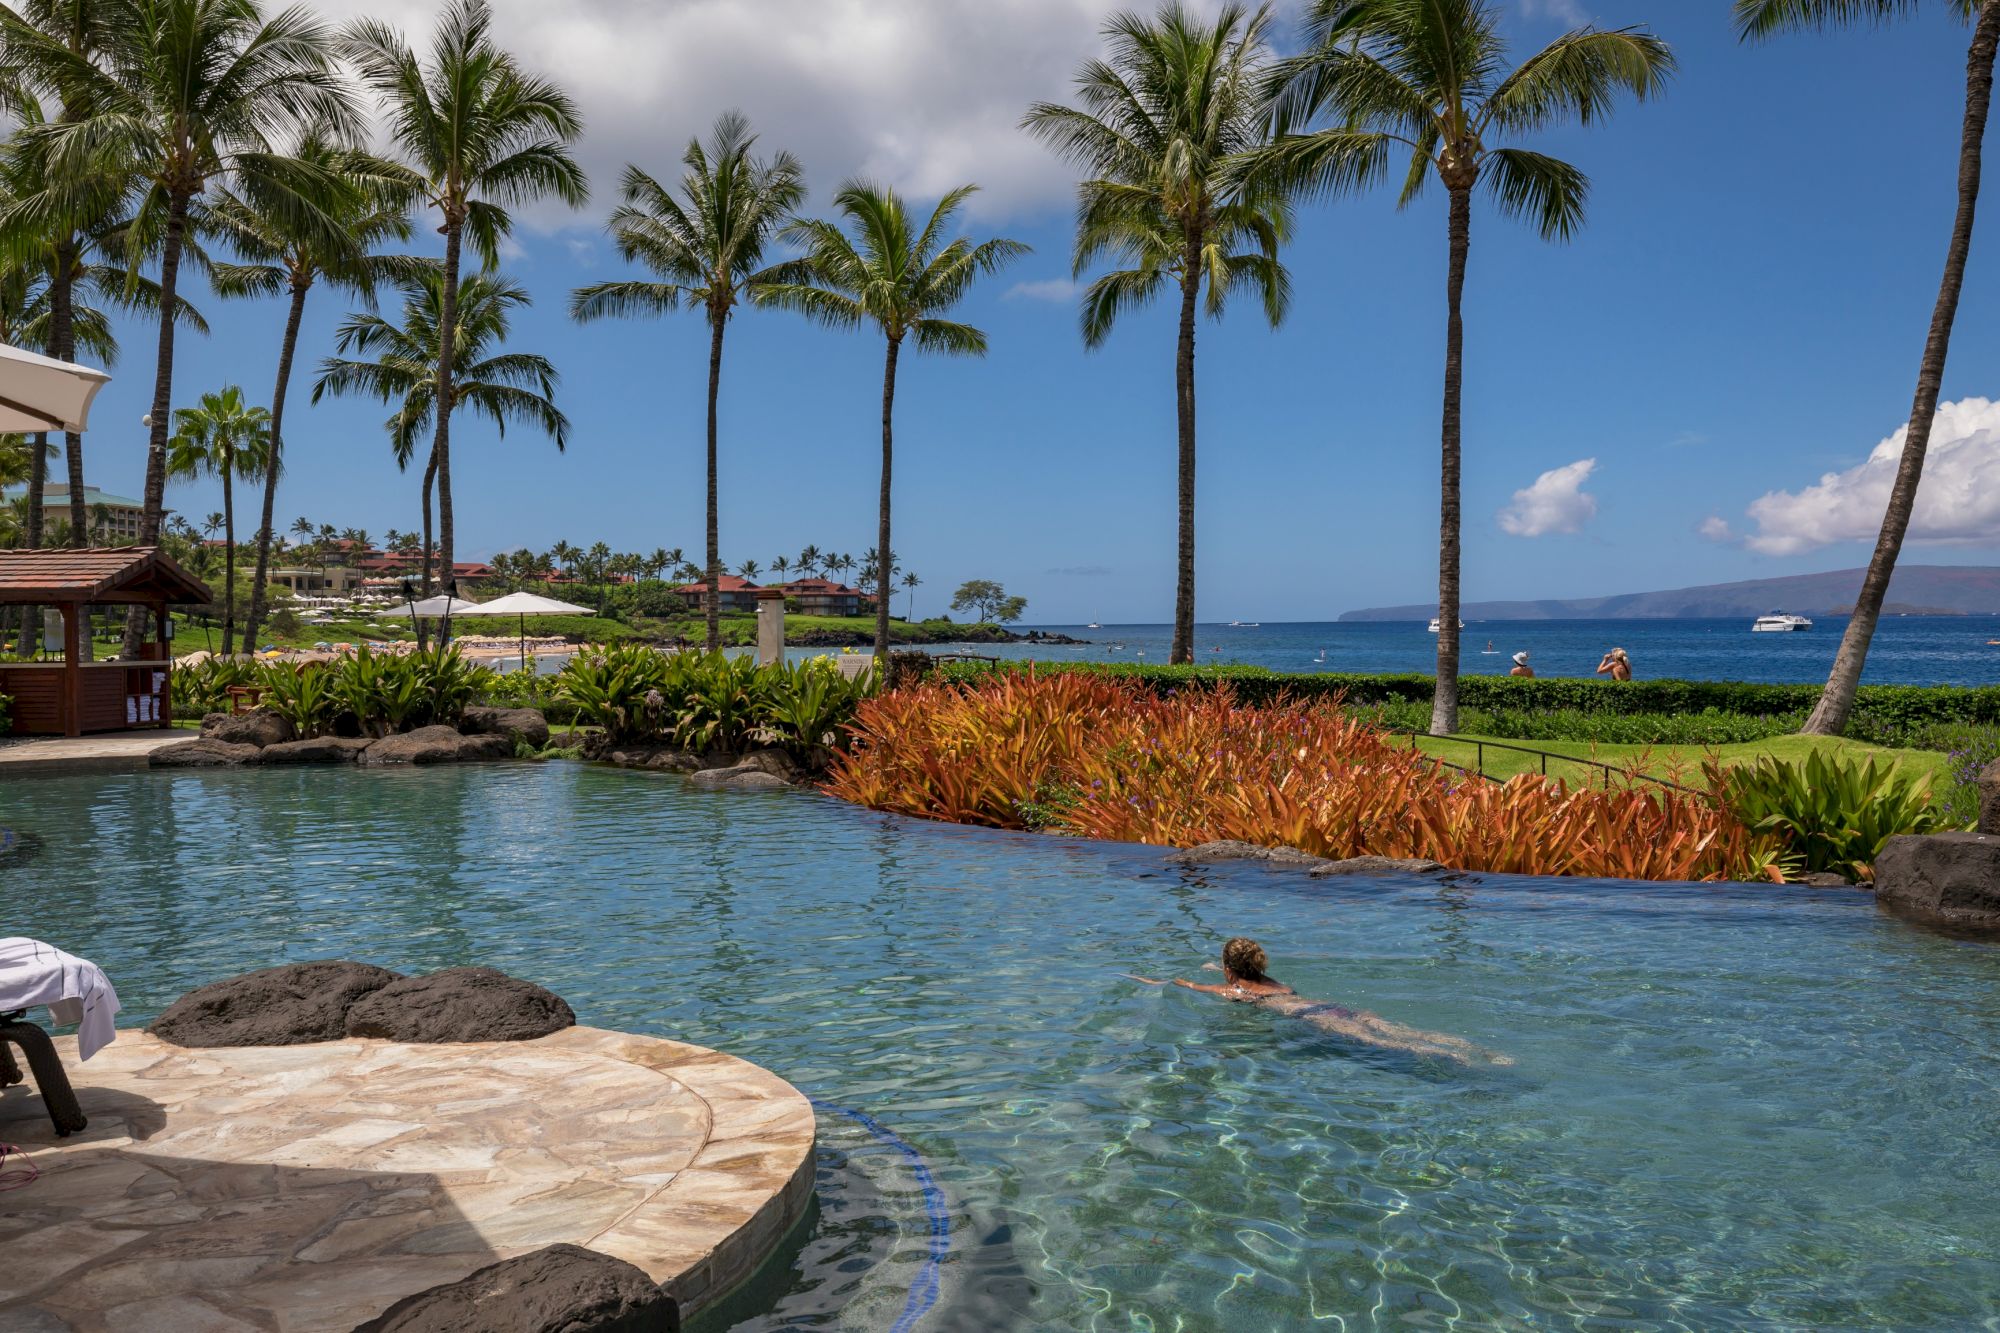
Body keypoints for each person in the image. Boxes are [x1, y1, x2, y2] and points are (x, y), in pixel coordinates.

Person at [1126, 938, 1511, 1066]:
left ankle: (1458, 1061)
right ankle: (1482, 1051)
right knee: (1406, 1030)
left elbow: (1187, 984)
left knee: (1392, 1045)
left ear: (1228, 971)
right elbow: (1238, 970)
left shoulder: (1235, 992)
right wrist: (1221, 963)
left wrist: (1153, 979)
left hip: (1317, 1019)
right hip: (1337, 1006)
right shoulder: (1272, 983)